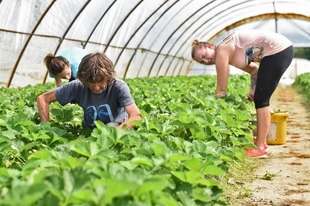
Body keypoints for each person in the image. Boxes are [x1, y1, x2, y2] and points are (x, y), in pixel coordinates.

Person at [191, 29, 294, 157]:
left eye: (204, 56)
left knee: (262, 100)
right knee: (260, 98)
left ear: (209, 46)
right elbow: (254, 70)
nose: (206, 61)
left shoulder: (222, 51)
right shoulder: (228, 52)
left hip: (278, 50)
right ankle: (261, 143)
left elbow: (221, 90)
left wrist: (211, 112)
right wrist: (253, 89)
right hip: (280, 50)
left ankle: (260, 147)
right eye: (202, 62)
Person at [37, 52, 142, 130]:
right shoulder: (78, 86)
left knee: (111, 126)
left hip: (117, 131)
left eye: (100, 81)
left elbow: (136, 116)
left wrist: (113, 134)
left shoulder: (118, 87)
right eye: (90, 82)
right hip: (89, 135)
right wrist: (47, 130)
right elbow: (43, 99)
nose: (96, 87)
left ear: (108, 76)